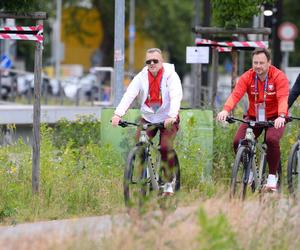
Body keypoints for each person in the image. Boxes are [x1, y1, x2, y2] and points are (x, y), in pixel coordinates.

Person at [111, 48, 182, 195]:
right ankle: (147, 177)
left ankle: (169, 181)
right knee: (139, 144)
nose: (152, 63)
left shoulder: (171, 76)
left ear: (161, 61)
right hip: (149, 117)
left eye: (155, 61)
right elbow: (129, 95)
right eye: (148, 61)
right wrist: (118, 114)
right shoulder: (140, 77)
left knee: (164, 148)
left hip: (168, 118)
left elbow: (176, 95)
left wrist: (172, 115)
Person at [217, 47, 289, 192]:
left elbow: (283, 97)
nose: (257, 66)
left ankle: (272, 177)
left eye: (261, 63)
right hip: (254, 116)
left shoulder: (278, 76)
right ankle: (248, 171)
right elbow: (236, 95)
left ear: (269, 62)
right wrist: (226, 109)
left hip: (276, 117)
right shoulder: (247, 77)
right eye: (255, 63)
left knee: (271, 140)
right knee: (238, 141)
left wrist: (281, 115)